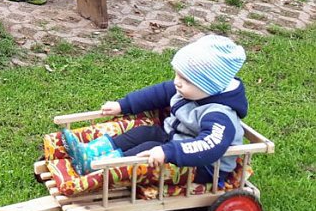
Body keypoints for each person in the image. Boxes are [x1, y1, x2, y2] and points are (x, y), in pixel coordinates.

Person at [62, 35, 248, 187]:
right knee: (142, 133)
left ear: (210, 86)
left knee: (146, 150)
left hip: (202, 165)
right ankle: (90, 152)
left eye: (186, 79)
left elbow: (209, 146)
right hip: (173, 140)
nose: (177, 82)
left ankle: (101, 168)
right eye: (177, 74)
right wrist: (122, 105)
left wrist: (168, 152)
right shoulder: (192, 90)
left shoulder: (220, 115)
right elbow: (156, 93)